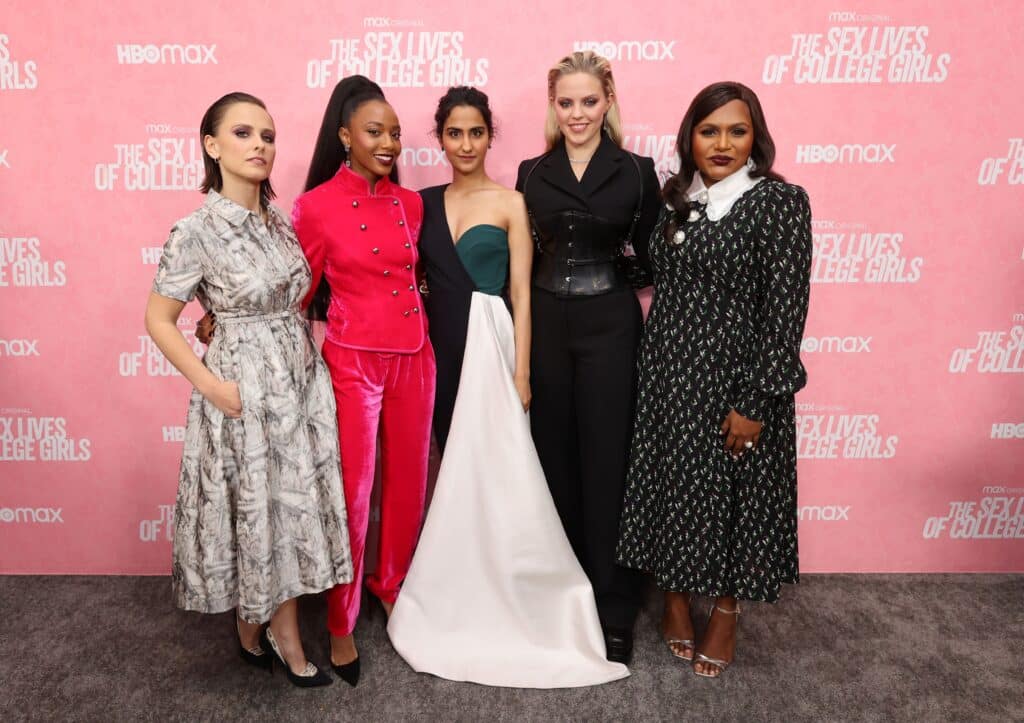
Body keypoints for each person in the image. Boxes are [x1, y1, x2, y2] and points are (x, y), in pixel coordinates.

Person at [386, 86, 629, 688]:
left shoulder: (512, 201)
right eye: (453, 134)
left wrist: (522, 373)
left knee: (502, 471)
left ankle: (517, 584)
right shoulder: (418, 204)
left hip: (492, 352)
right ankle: (465, 580)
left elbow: (522, 294)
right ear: (439, 138)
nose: (465, 144)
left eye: (475, 133)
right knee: (458, 470)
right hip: (435, 353)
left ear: (489, 136)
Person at [144, 92, 351, 688]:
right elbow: (159, 319)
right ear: (212, 146)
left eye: (267, 135)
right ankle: (284, 635)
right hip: (246, 390)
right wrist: (213, 387)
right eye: (242, 133)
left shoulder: (276, 220)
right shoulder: (197, 229)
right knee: (265, 508)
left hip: (299, 379)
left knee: (288, 508)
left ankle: (251, 623)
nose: (260, 145)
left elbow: (274, 298)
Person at [616, 81, 812, 678]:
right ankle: (675, 597)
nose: (722, 143)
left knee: (735, 495)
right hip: (667, 375)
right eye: (709, 131)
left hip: (736, 382)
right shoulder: (678, 199)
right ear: (690, 138)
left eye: (736, 130)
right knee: (673, 485)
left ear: (756, 138)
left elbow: (786, 312)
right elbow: (649, 273)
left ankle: (725, 609)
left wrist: (755, 399)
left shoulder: (777, 203)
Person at [514, 51, 661, 663]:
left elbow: (653, 258)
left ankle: (613, 605)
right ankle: (558, 594)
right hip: (547, 324)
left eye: (588, 101)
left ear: (608, 101)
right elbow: (521, 262)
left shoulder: (637, 170)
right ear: (554, 105)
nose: (577, 113)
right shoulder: (530, 171)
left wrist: (613, 276)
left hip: (610, 325)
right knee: (553, 458)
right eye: (566, 102)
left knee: (608, 461)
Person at [293, 76, 435, 686]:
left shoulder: (412, 204)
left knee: (408, 484)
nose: (388, 142)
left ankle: (390, 584)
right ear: (345, 136)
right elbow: (296, 291)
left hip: (415, 355)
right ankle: (340, 618)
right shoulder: (317, 205)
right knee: (353, 495)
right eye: (374, 132)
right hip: (353, 360)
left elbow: (416, 278)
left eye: (395, 133)